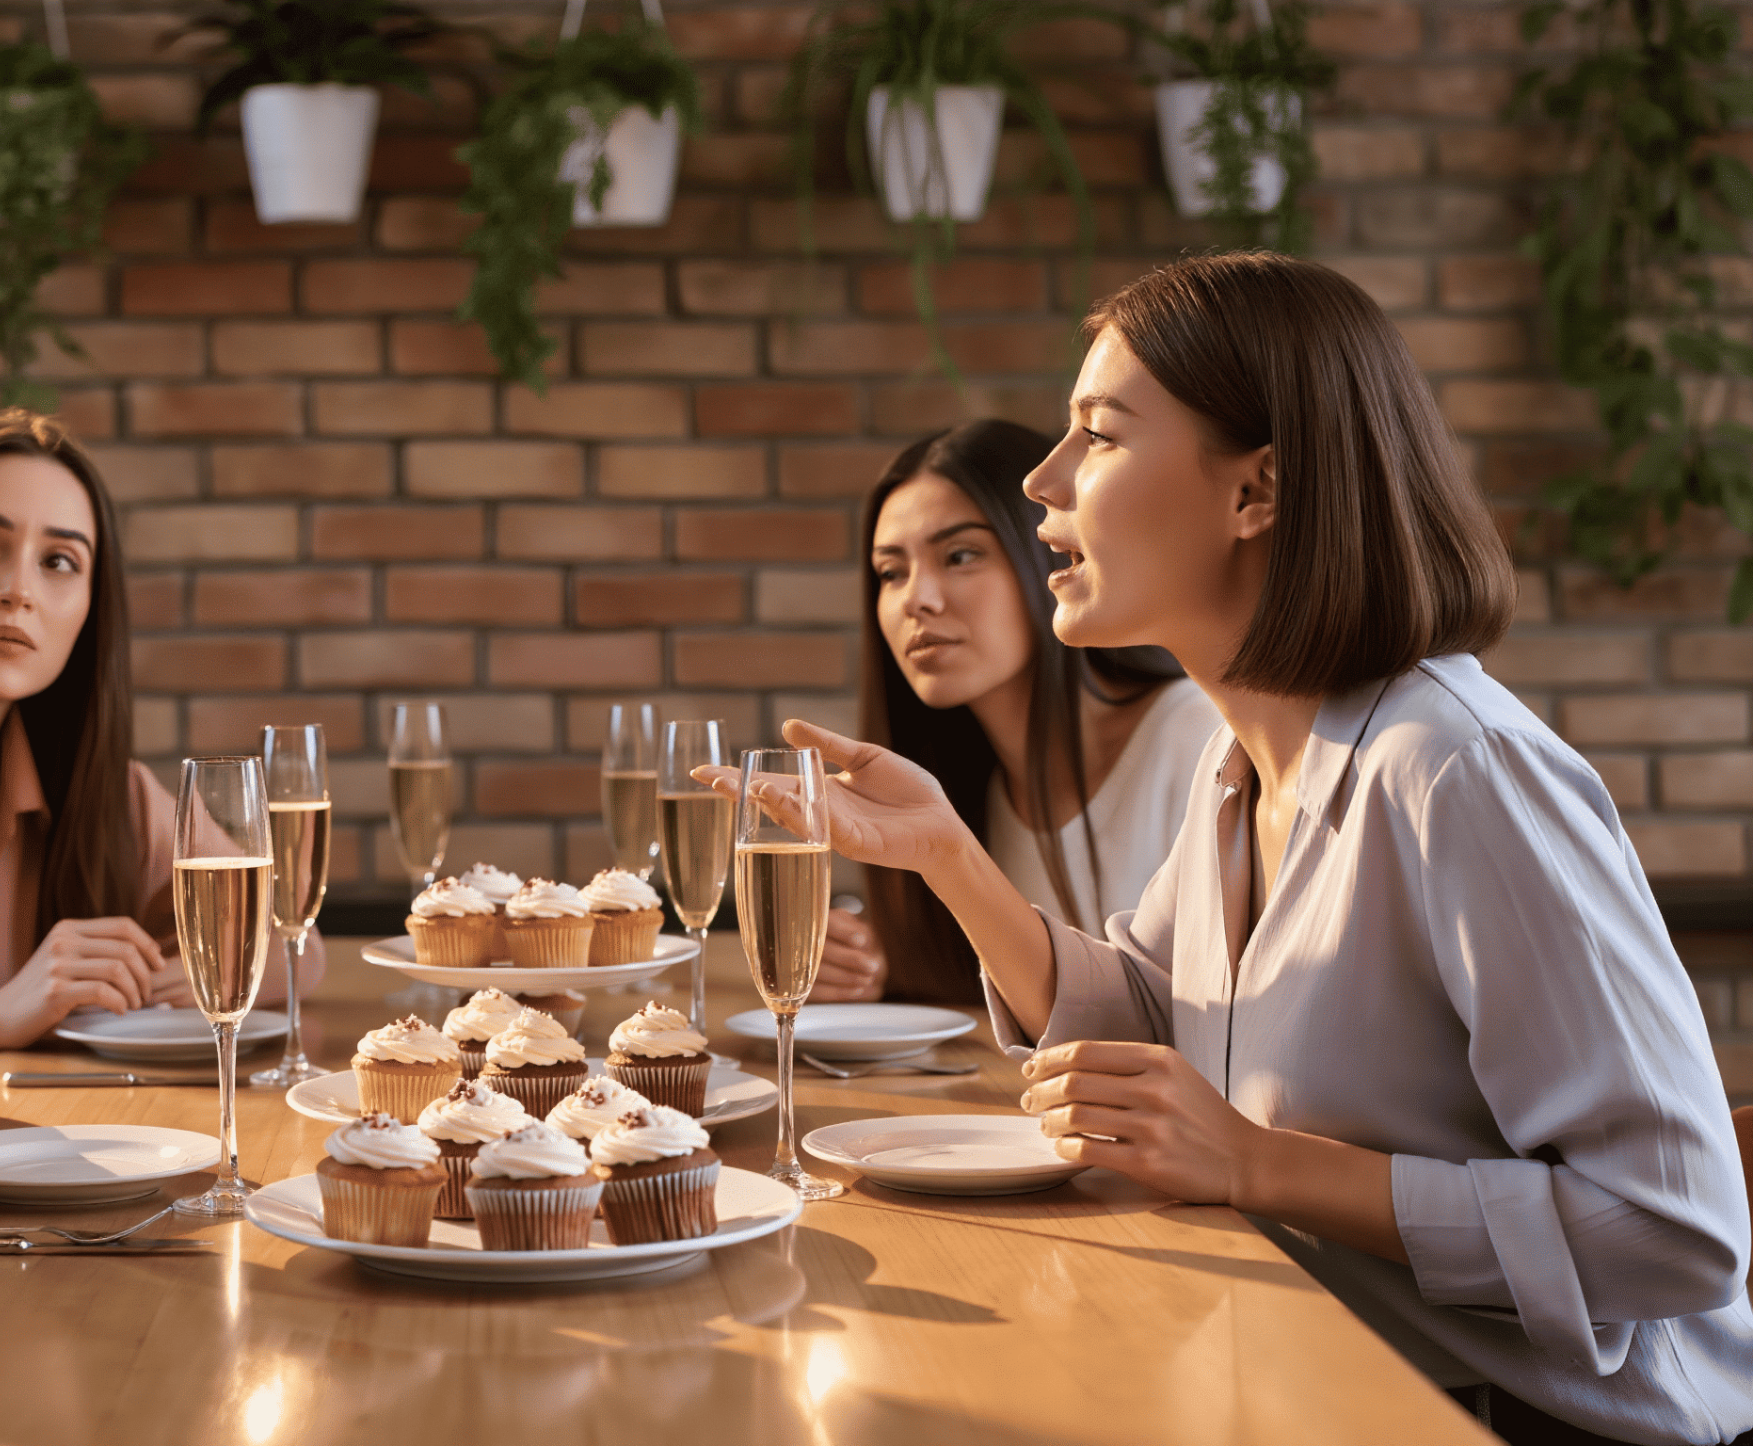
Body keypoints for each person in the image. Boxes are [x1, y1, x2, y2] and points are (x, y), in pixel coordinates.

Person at [711, 253, 1749, 1446]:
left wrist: (1259, 1166)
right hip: (1319, 1378)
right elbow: (1149, 1015)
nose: (1044, 482)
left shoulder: (1456, 770)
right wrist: (946, 855)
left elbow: (1675, 1232)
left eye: (1097, 436)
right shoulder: (1241, 763)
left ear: (1255, 492)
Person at [0, 409, 324, 1054]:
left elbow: (296, 943)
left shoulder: (109, 796)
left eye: (60, 561)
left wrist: (191, 980)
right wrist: (0, 1015)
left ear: (92, 605)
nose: (18, 591)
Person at [818, 419, 1220, 1005]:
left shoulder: (1195, 739)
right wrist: (875, 965)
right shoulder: (951, 788)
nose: (917, 598)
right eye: (890, 571)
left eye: (959, 555)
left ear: (1053, 557)